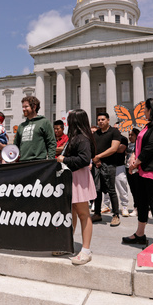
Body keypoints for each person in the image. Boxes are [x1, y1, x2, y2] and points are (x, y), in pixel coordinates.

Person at [124, 98, 153, 243]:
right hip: (142, 170)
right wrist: (133, 156)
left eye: (145, 109)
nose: (143, 111)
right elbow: (139, 144)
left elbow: (150, 149)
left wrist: (135, 163)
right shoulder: (148, 126)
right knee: (141, 202)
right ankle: (140, 234)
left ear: (152, 110)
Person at [56, 109, 97, 265]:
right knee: (71, 213)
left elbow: (84, 159)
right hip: (73, 178)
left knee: (83, 214)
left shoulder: (82, 138)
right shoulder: (77, 137)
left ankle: (85, 250)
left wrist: (64, 159)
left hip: (78, 178)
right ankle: (68, 244)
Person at [91, 112, 122, 227]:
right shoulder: (95, 134)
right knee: (97, 190)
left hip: (109, 165)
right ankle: (97, 213)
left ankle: (116, 215)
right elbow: (92, 148)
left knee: (111, 190)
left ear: (108, 120)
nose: (100, 122)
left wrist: (99, 157)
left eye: (103, 119)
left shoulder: (114, 132)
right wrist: (95, 159)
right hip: (97, 165)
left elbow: (114, 148)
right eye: (98, 120)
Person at [13, 96, 56, 161]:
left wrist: (50, 161)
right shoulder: (21, 126)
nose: (23, 109)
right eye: (23, 107)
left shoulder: (44, 122)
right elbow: (15, 146)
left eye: (26, 107)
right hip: (23, 163)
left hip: (38, 163)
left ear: (34, 107)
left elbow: (51, 143)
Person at [125, 128, 141, 217]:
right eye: (129, 135)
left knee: (139, 189)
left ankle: (141, 207)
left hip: (137, 170)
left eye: (132, 135)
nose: (130, 137)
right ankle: (136, 207)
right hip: (128, 169)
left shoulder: (139, 145)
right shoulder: (128, 145)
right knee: (133, 189)